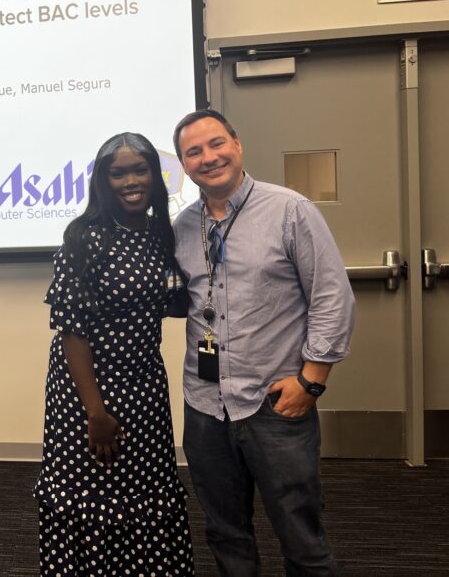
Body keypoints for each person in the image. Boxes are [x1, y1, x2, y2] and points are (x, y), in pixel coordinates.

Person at [171, 110, 355, 576]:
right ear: (183, 164)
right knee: (225, 533)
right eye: (194, 152)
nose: (208, 158)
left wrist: (311, 382)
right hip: (205, 406)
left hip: (275, 405)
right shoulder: (182, 228)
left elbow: (332, 297)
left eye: (216, 144)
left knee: (301, 536)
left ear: (237, 144)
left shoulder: (289, 210)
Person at [34, 132, 194, 575]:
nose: (130, 181)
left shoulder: (159, 232)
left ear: (155, 176)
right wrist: (95, 411)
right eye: (117, 172)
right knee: (94, 489)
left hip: (144, 386)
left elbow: (170, 300)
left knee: (145, 487)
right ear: (102, 181)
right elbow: (72, 332)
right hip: (89, 393)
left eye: (139, 169)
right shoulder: (84, 238)